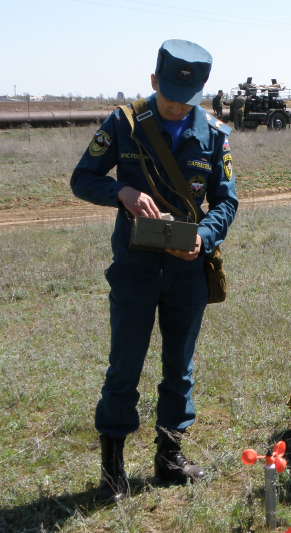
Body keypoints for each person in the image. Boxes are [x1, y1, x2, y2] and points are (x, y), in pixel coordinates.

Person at [70, 39, 238, 502]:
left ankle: (169, 457)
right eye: (167, 96)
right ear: (152, 82)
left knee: (178, 369)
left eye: (185, 100)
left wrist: (205, 235)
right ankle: (113, 471)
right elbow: (82, 178)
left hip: (187, 273)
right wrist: (121, 192)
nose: (174, 106)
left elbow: (226, 201)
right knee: (124, 366)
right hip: (135, 268)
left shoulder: (214, 135)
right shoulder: (123, 125)